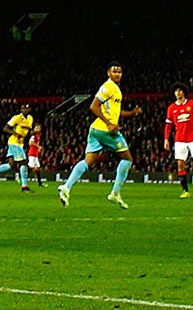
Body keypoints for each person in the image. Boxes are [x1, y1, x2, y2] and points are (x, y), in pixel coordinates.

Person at [59, 64, 138, 209]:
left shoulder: (115, 89)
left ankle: (66, 187)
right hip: (105, 131)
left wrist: (132, 113)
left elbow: (116, 113)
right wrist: (109, 123)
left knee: (88, 162)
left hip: (95, 130)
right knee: (127, 159)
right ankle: (115, 193)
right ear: (108, 73)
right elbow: (93, 106)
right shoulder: (108, 87)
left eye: (120, 72)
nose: (117, 74)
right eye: (114, 71)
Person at [165, 87, 193, 198]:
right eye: (176, 91)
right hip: (180, 140)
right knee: (180, 164)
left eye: (180, 90)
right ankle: (185, 191)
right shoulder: (171, 108)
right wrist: (166, 139)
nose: (178, 93)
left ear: (184, 92)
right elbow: (168, 125)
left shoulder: (192, 104)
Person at [0, 106, 36, 190]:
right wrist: (15, 133)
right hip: (14, 143)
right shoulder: (16, 118)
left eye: (27, 108)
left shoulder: (30, 119)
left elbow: (27, 131)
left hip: (19, 144)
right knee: (23, 163)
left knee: (11, 165)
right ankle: (24, 186)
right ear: (21, 110)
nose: (25, 109)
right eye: (24, 108)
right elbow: (5, 128)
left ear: (30, 109)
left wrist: (31, 133)